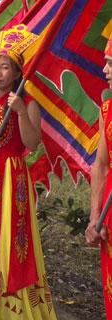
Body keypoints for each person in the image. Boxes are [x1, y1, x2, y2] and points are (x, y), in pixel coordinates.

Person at [0, 25, 55, 319]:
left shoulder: (27, 104)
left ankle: (11, 308)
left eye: (5, 68)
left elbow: (31, 142)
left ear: (18, 74)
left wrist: (18, 112)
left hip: (11, 177)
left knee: (9, 239)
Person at [87, 37, 112, 316]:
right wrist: (95, 217)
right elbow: (101, 166)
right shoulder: (108, 110)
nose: (105, 71)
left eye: (110, 65)